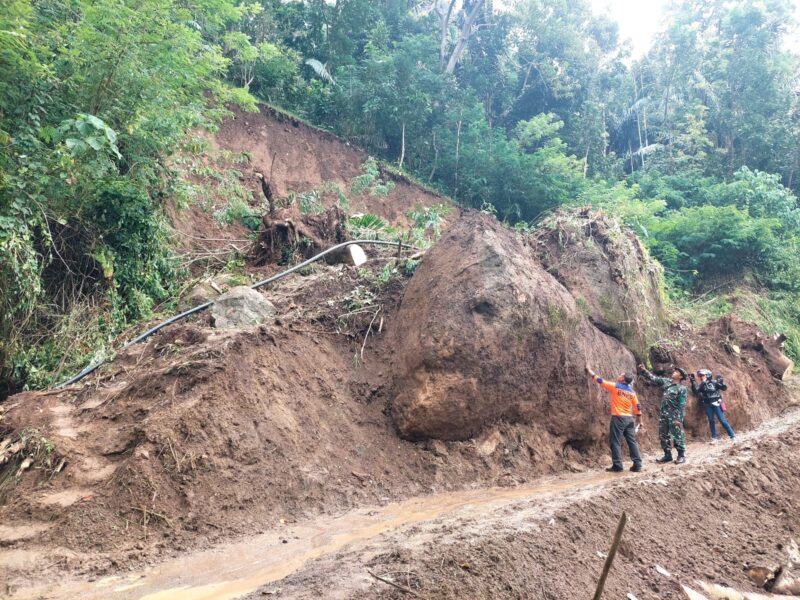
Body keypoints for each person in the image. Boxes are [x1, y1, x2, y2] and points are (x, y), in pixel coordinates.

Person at [585, 366, 643, 472]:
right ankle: (637, 464)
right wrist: (640, 418)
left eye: (621, 374)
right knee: (632, 441)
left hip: (618, 418)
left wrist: (590, 371)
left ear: (622, 379)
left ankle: (617, 465)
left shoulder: (616, 387)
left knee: (615, 441)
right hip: (629, 419)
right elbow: (637, 406)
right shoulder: (632, 392)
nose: (619, 375)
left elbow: (600, 381)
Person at [638, 364, 688, 464]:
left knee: (677, 435)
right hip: (664, 414)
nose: (674, 372)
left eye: (677, 372)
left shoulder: (682, 389)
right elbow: (655, 379)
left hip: (675, 415)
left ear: (680, 377)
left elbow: (682, 405)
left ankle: (681, 455)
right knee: (663, 435)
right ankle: (667, 455)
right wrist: (644, 370)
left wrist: (679, 418)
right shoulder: (667, 382)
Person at [689, 369, 735, 443]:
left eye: (703, 375)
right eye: (700, 376)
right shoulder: (702, 385)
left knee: (723, 420)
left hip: (716, 403)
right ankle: (714, 438)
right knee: (711, 421)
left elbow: (724, 388)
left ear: (708, 375)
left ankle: (732, 436)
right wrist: (693, 381)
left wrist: (722, 383)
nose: (701, 377)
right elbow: (696, 391)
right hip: (707, 405)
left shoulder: (714, 382)